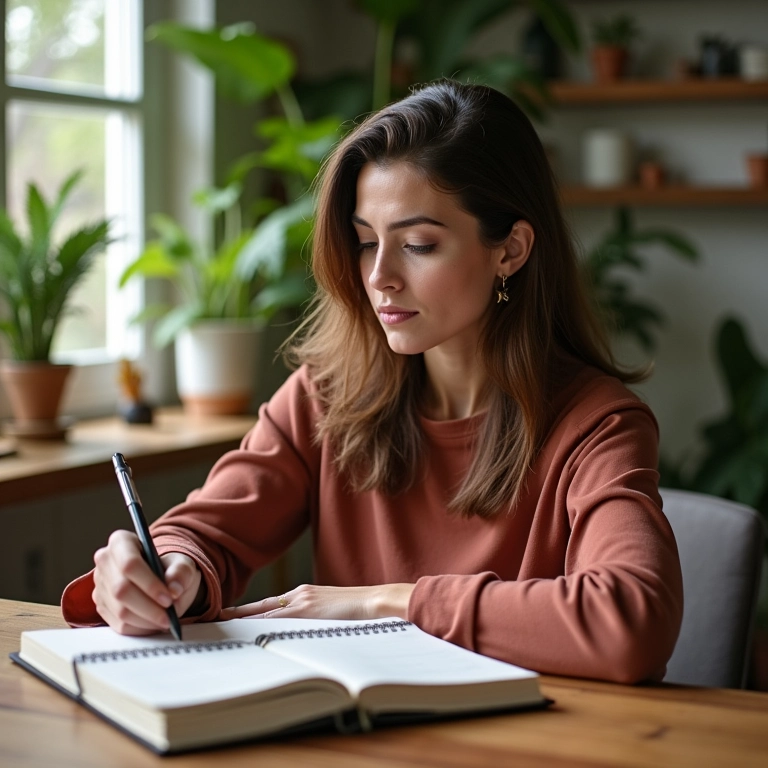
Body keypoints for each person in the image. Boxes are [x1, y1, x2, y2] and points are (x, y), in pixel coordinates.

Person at [62, 80, 683, 684]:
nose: (379, 275)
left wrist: (387, 603)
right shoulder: (326, 395)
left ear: (511, 250)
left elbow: (632, 621)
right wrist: (168, 567)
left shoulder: (596, 424)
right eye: (364, 242)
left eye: (417, 244)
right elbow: (206, 530)